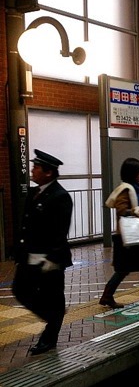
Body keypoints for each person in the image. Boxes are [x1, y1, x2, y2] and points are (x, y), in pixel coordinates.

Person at [12, 150, 73, 355]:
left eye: (36, 168)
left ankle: (49, 337)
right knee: (20, 290)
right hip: (29, 256)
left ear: (48, 173)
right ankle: (53, 316)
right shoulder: (34, 192)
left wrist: (52, 259)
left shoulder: (60, 196)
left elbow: (60, 231)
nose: (32, 170)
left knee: (54, 296)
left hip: (49, 259)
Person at [100, 157, 139, 308]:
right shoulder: (125, 190)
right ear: (133, 173)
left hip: (136, 237)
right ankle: (107, 296)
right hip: (127, 239)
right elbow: (122, 211)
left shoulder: (135, 188)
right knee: (124, 270)